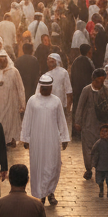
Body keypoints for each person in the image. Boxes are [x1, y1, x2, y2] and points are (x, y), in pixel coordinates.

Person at [21, 75, 69, 206]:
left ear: (51, 88)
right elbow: (27, 120)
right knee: (38, 166)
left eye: (48, 88)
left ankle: (50, 192)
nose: (46, 90)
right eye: (44, 88)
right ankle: (40, 194)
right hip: (36, 140)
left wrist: (64, 138)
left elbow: (61, 120)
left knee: (53, 165)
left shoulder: (56, 101)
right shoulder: (32, 100)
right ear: (40, 87)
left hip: (52, 138)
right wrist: (25, 138)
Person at [74, 68, 108, 182]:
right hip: (88, 123)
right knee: (88, 148)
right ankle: (89, 169)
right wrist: (78, 121)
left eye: (102, 81)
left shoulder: (106, 91)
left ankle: (100, 169)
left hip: (102, 125)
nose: (100, 83)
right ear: (93, 79)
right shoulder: (86, 90)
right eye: (98, 81)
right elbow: (80, 106)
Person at [0, 50, 26, 147]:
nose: (0, 63)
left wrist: (22, 104)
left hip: (11, 102)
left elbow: (20, 88)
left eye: (2, 61)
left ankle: (10, 139)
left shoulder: (14, 72)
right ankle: (0, 140)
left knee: (10, 121)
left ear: (6, 60)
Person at [69, 43, 95, 121]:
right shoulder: (89, 61)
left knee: (76, 109)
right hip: (86, 91)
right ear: (88, 52)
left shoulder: (75, 61)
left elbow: (72, 76)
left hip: (76, 91)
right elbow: (93, 76)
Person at [91, 123, 108, 199]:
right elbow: (93, 150)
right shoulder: (98, 143)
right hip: (100, 166)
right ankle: (101, 190)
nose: (103, 133)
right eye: (102, 131)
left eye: (106, 131)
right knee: (100, 180)